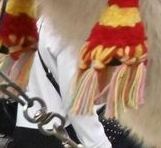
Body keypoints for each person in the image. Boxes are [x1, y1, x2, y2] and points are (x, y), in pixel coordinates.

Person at [8, 16, 115, 148]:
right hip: (59, 132)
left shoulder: (48, 20)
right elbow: (76, 99)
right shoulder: (68, 28)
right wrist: (100, 144)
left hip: (35, 126)